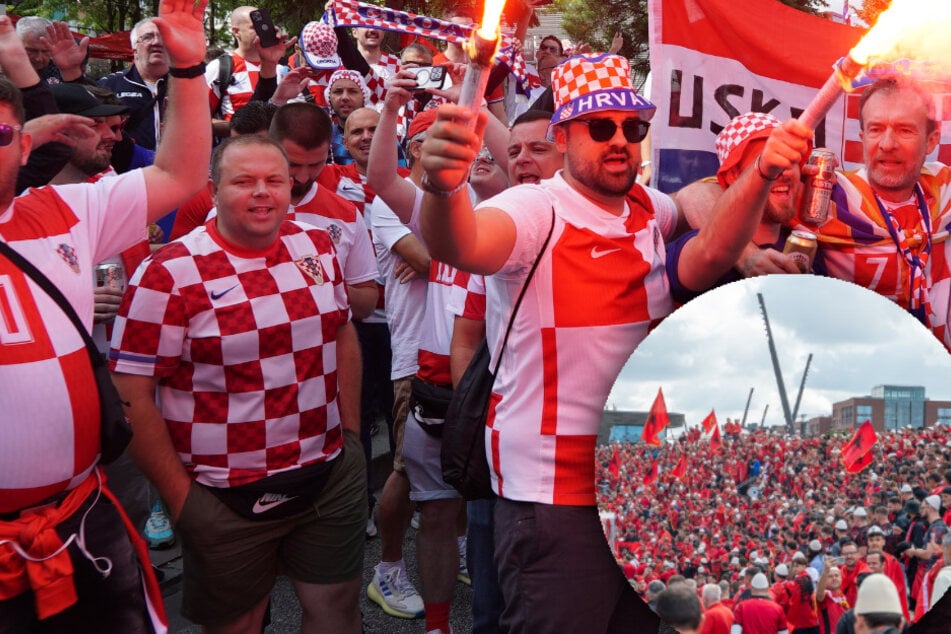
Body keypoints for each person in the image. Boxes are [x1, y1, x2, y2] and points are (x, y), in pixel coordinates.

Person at [417, 51, 812, 633]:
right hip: (555, 497)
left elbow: (707, 235)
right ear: (563, 135)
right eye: (600, 128)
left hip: (637, 489)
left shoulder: (645, 208)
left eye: (634, 127)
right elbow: (460, 245)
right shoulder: (534, 209)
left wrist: (758, 180)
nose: (620, 140)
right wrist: (442, 187)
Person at [0, 0, 212, 627]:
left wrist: (190, 66)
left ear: (21, 143)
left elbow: (181, 170)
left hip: (81, 520)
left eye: (0, 135)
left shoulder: (64, 210)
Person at [110, 135, 365, 633]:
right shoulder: (167, 273)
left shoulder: (315, 244)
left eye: (274, 180)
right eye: (243, 181)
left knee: (337, 611)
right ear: (213, 189)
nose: (262, 193)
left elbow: (341, 331)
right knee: (239, 625)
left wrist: (351, 438)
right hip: (225, 493)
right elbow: (130, 393)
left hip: (327, 475)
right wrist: (181, 499)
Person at [790, 77, 951, 348]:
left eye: (904, 130)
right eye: (876, 129)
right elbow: (702, 197)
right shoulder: (828, 194)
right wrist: (748, 257)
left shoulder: (942, 188)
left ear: (932, 140)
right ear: (863, 138)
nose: (887, 144)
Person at [205, 5, 293, 136]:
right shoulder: (220, 67)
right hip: (235, 150)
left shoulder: (281, 69)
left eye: (264, 25)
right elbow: (200, 118)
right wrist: (239, 130)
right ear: (236, 32)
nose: (262, 30)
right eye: (253, 27)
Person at [99, 18, 169, 150]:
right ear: (134, 48)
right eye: (148, 37)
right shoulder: (110, 84)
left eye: (163, 37)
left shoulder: (185, 86)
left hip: (176, 166)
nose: (157, 42)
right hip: (127, 167)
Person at [816, 563, 849, 634]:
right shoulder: (825, 594)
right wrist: (825, 572)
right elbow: (819, 593)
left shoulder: (842, 595)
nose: (834, 578)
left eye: (836, 575)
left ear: (841, 578)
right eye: (830, 576)